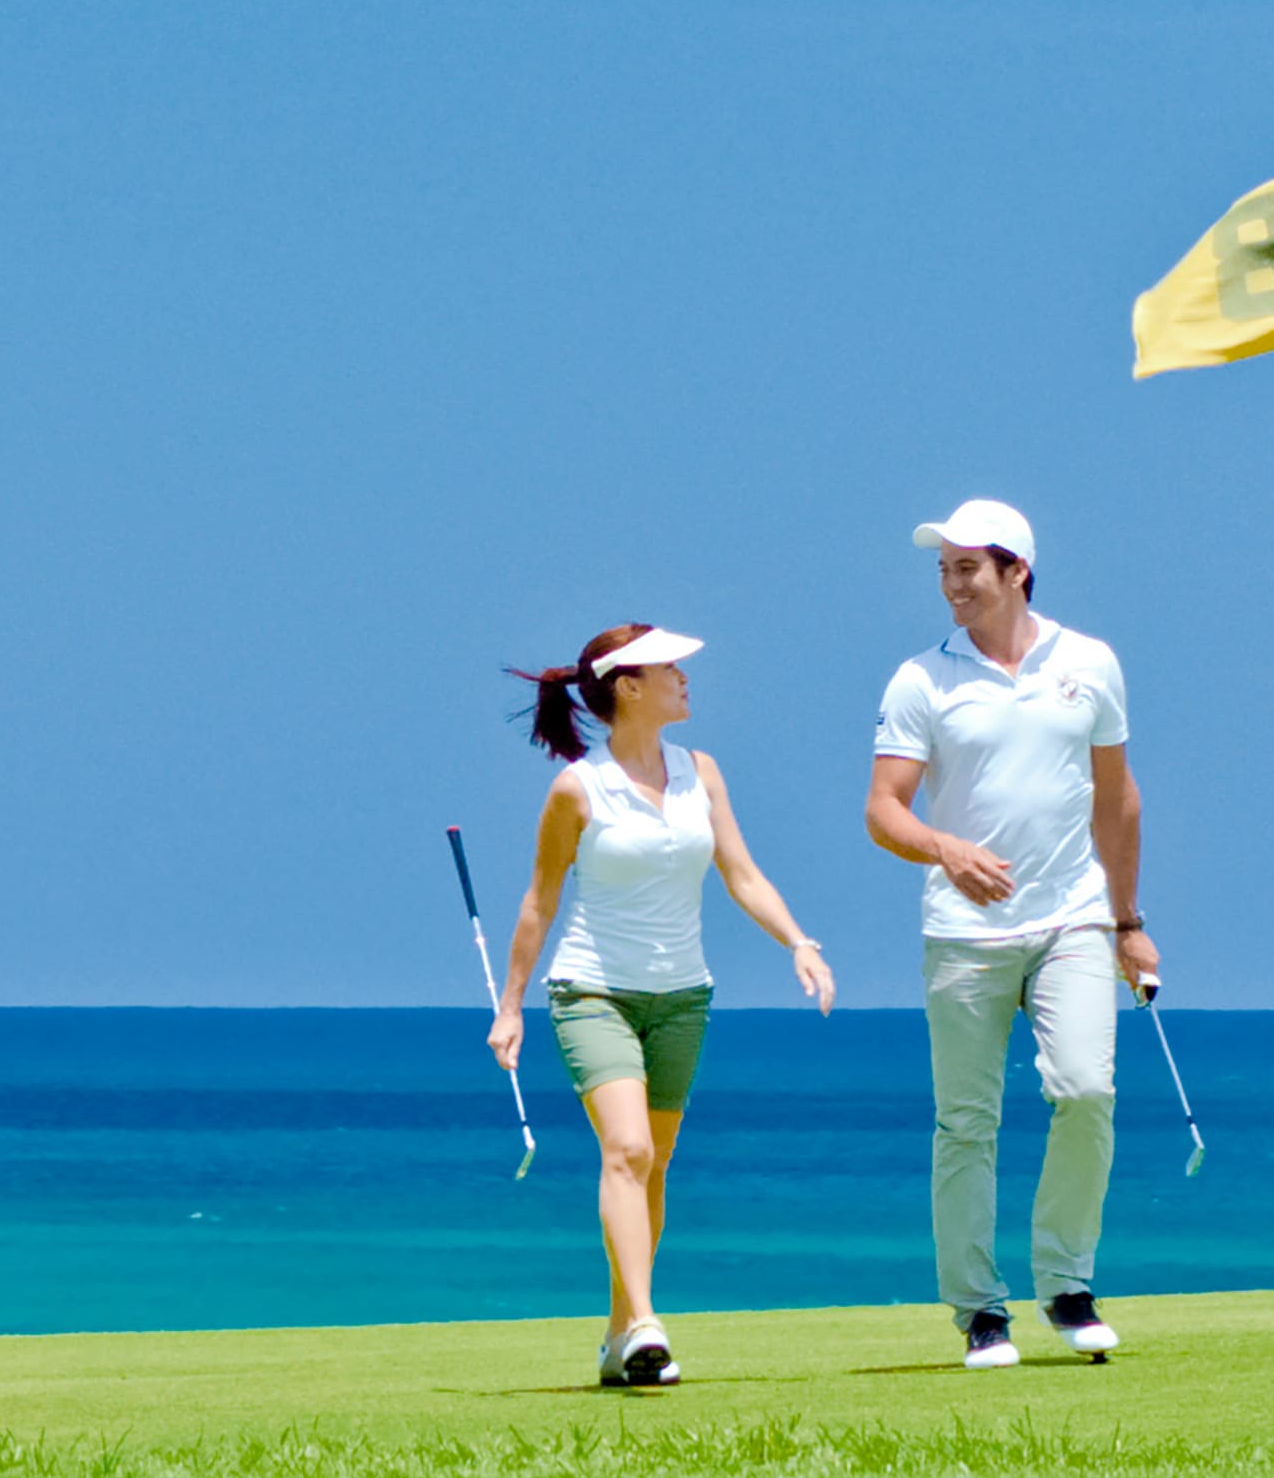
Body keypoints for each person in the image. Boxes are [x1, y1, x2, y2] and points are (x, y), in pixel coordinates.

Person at [489, 621, 835, 1388]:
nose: (685, 677)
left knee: (655, 1166)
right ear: (627, 687)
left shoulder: (699, 771)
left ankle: (620, 1337)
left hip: (682, 996)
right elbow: (539, 902)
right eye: (667, 667)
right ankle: (648, 1324)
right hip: (591, 993)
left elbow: (740, 873)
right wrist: (511, 1007)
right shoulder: (578, 787)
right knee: (627, 1152)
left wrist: (798, 943)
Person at [865, 500, 1161, 1370]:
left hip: (1073, 917)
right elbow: (884, 810)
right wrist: (945, 848)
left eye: (968, 569)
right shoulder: (921, 678)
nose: (953, 586)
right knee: (966, 1123)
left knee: (1083, 1090)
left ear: (1015, 571)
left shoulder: (1090, 662)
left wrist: (1128, 921)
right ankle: (979, 1311)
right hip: (963, 932)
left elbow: (1116, 797)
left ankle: (1066, 1287)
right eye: (944, 572)